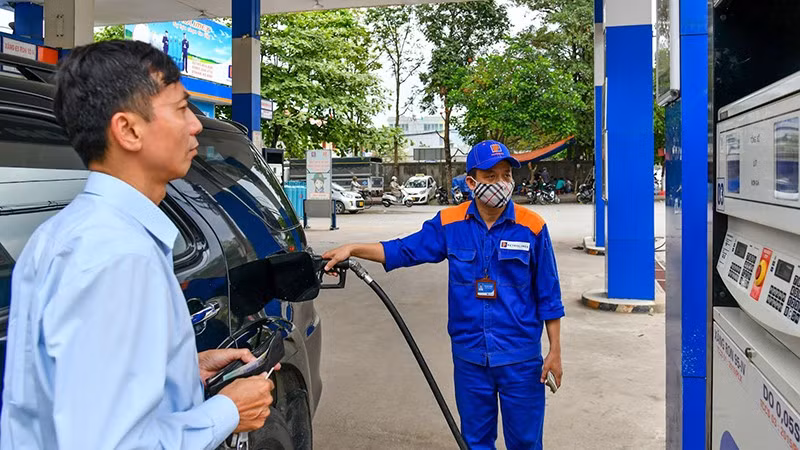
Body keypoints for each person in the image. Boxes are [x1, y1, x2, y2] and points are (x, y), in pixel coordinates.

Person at [0, 40, 277, 449]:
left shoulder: (66, 234)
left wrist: (179, 370)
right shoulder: (115, 257)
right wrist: (227, 411)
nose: (196, 125)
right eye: (182, 109)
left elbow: (72, 389)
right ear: (128, 130)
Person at [323, 140, 564, 449]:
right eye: (490, 176)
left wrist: (555, 351)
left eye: (506, 175)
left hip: (520, 358)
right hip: (470, 358)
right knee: (476, 442)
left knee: (526, 442)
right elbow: (404, 249)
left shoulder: (532, 227)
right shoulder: (450, 223)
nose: (501, 183)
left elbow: (549, 294)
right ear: (472, 182)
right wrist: (353, 247)